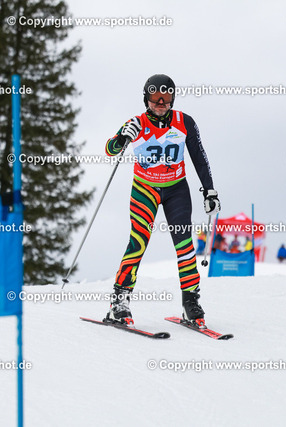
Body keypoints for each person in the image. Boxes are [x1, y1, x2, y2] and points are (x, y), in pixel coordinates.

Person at [104, 74, 220, 329]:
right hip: (145, 189)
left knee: (184, 245)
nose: (160, 102)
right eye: (155, 96)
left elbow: (199, 157)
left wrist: (209, 191)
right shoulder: (136, 123)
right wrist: (122, 138)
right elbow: (110, 150)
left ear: (172, 99)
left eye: (166, 97)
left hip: (176, 189)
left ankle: (190, 302)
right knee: (138, 242)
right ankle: (119, 301)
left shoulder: (184, 122)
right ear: (146, 98)